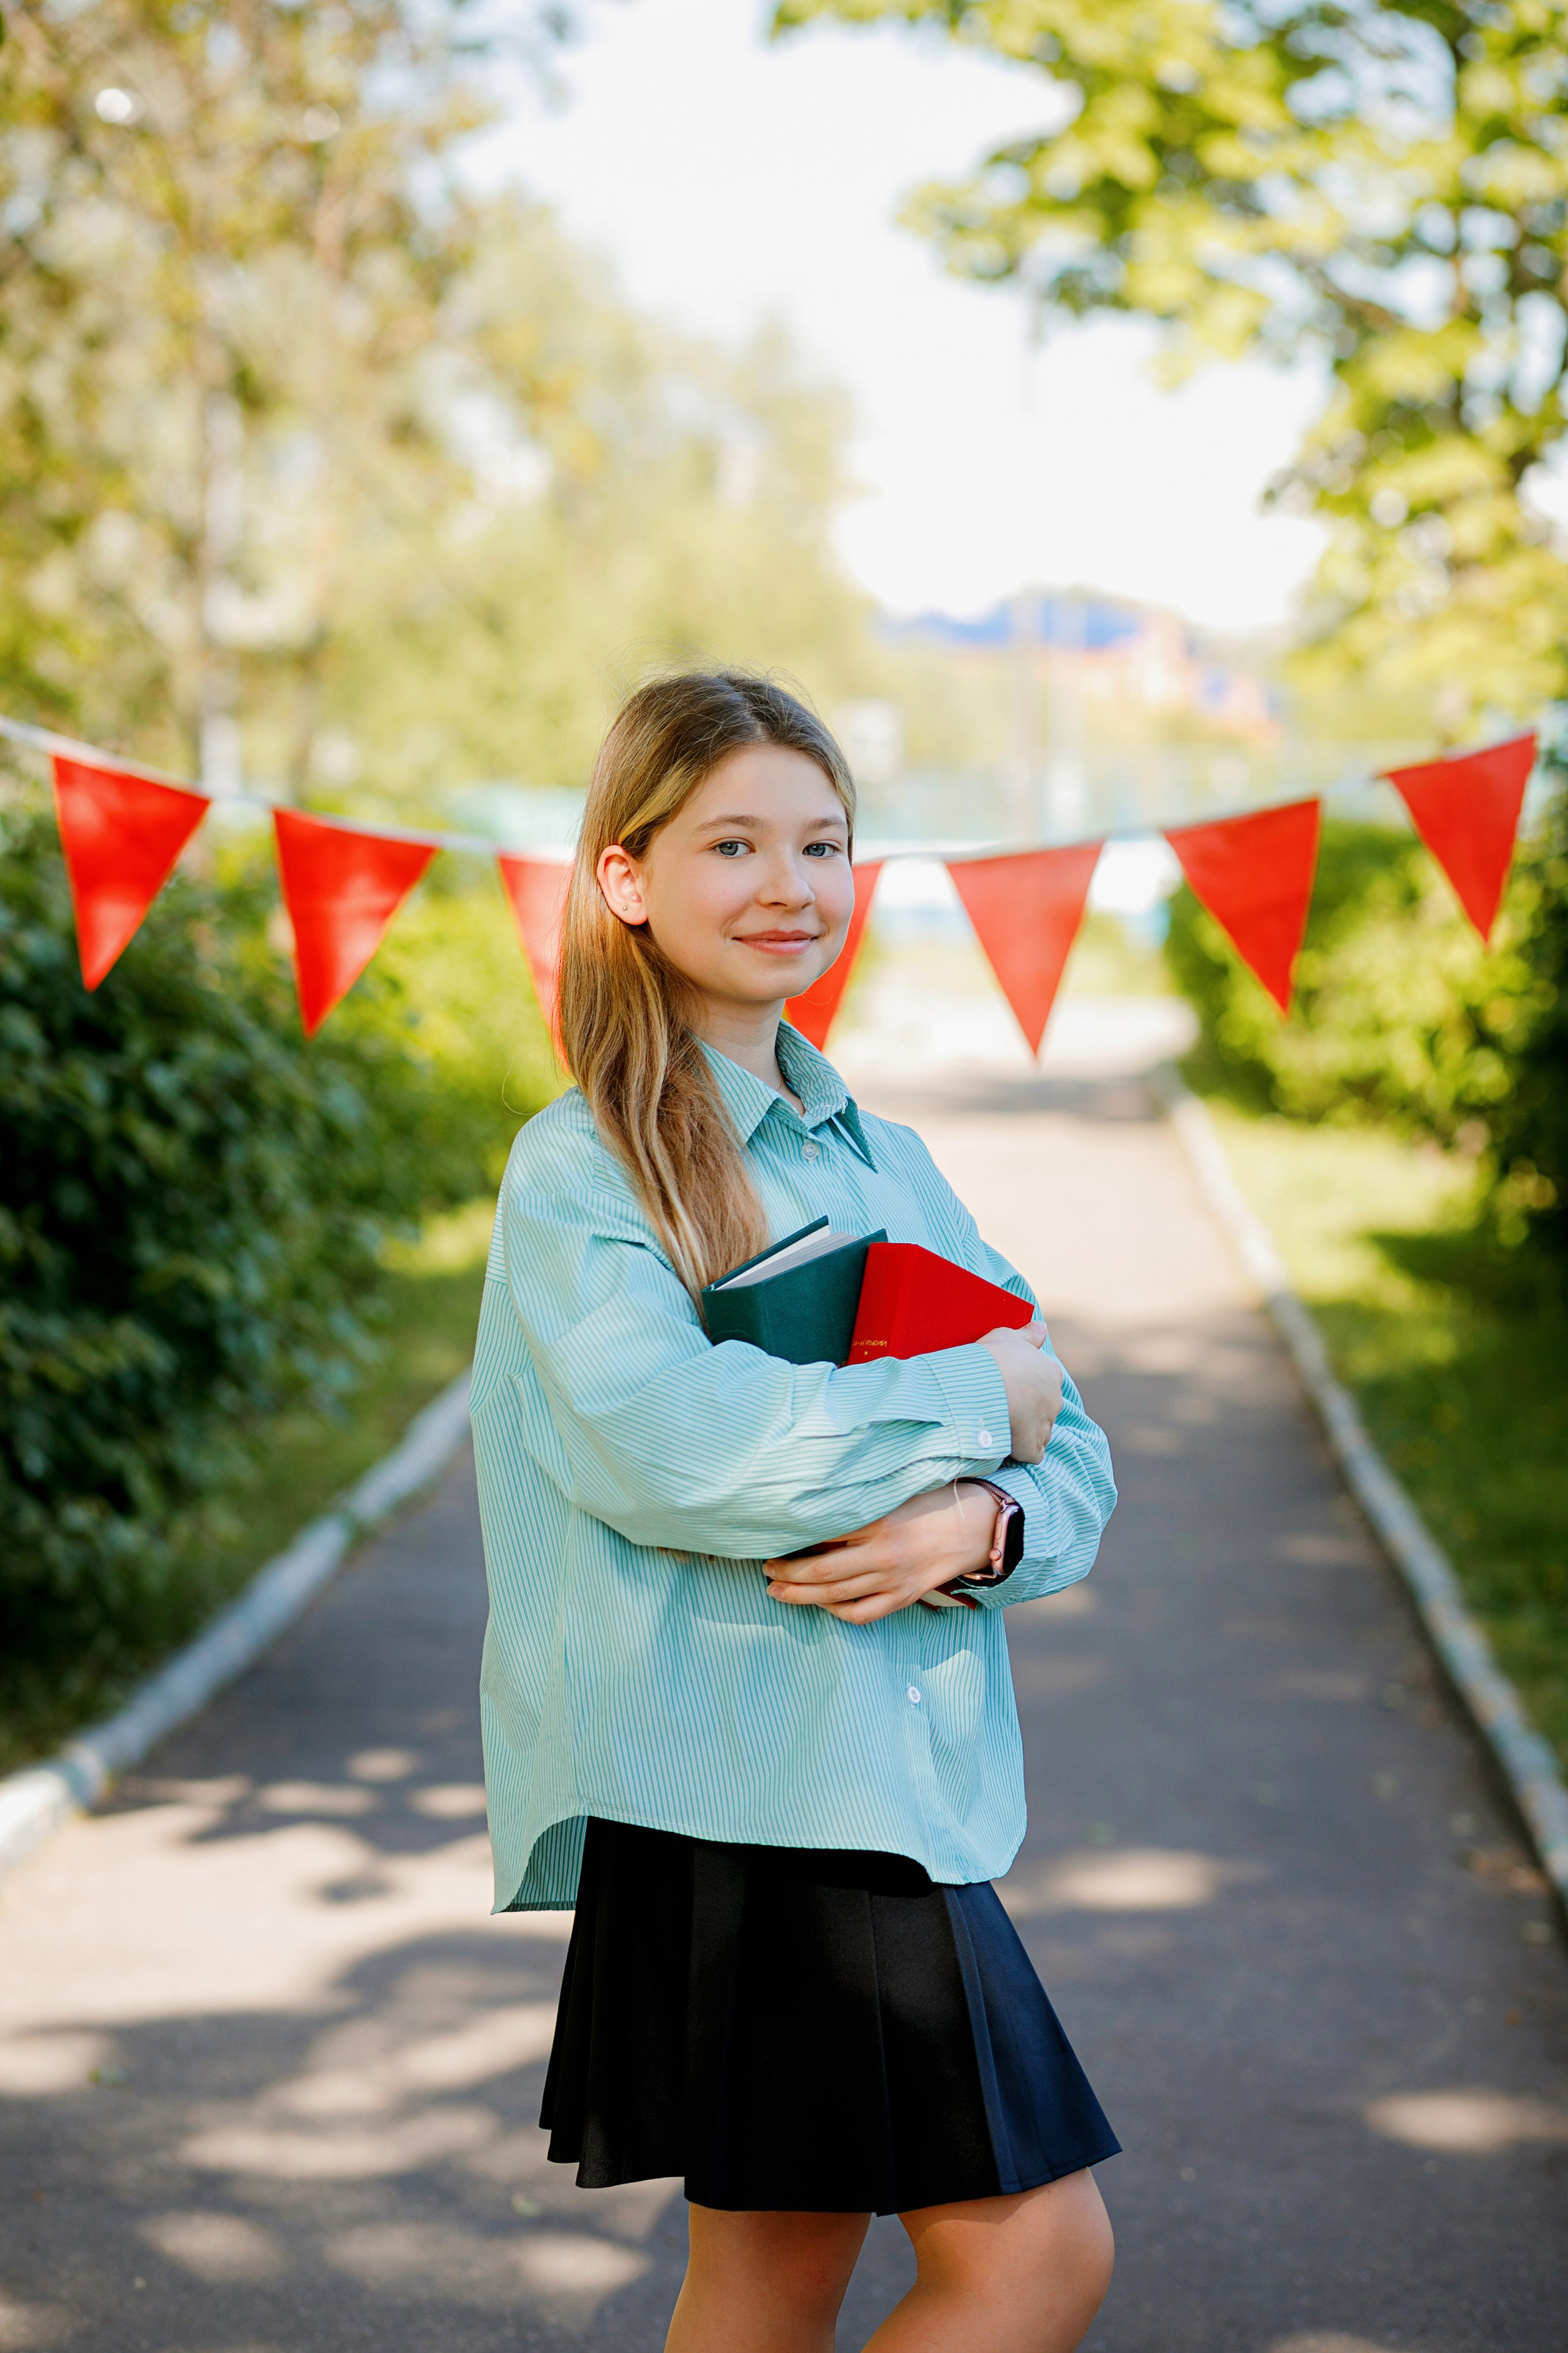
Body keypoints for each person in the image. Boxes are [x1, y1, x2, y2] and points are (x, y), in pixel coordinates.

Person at [470, 670, 1120, 2353]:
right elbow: (681, 1450)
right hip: (745, 1793)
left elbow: (1084, 1449)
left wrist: (976, 1524)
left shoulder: (886, 1159)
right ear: (624, 875)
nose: (789, 883)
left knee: (769, 2280)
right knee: (1038, 2258)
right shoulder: (586, 1167)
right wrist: (979, 1411)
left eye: (821, 842)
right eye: (733, 842)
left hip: (885, 1779)